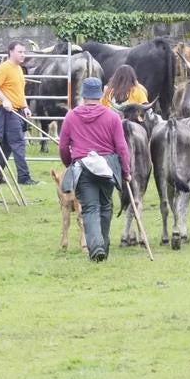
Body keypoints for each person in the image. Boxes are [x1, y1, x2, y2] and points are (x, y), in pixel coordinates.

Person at [57, 77, 133, 261]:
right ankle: (102, 246)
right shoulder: (113, 117)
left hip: (82, 167)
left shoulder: (71, 116)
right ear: (101, 95)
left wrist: (69, 163)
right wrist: (125, 171)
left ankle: (96, 246)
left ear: (83, 95)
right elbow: (121, 147)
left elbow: (62, 146)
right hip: (107, 167)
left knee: (90, 208)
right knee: (106, 206)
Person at [0, 40, 38, 185]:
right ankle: (24, 177)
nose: (23, 55)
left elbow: (19, 91)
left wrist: (25, 106)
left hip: (16, 110)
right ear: (11, 52)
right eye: (20, 52)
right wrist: (4, 100)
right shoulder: (5, 67)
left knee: (6, 146)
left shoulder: (18, 69)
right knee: (18, 143)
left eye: (24, 52)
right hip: (6, 112)